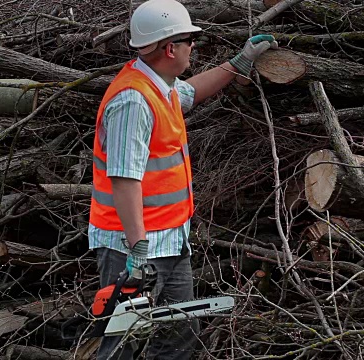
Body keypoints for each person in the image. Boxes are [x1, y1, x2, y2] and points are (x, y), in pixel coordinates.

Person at [88, 0, 277, 358]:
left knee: (179, 336)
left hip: (171, 240)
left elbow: (190, 92)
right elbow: (124, 179)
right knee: (123, 345)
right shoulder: (133, 100)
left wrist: (239, 62)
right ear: (170, 47)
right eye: (190, 39)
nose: (194, 46)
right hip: (132, 246)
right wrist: (137, 249)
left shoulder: (161, 86)